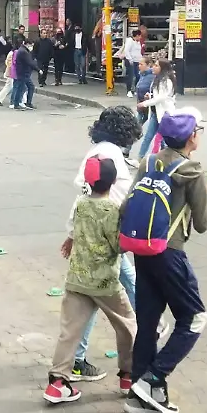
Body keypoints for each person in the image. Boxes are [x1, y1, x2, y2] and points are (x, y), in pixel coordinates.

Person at [126, 108, 207, 413]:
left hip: (142, 249)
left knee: (148, 322)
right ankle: (153, 378)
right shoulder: (191, 170)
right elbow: (203, 223)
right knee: (194, 318)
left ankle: (139, 394)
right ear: (191, 137)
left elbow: (129, 202)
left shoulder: (148, 162)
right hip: (169, 253)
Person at [44, 155, 138, 404]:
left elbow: (74, 230)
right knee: (127, 325)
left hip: (77, 280)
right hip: (105, 283)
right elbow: (119, 246)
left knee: (69, 332)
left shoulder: (80, 203)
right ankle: (128, 376)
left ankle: (57, 384)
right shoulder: (111, 210)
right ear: (113, 181)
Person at [64, 106, 144, 382]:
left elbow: (81, 196)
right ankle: (139, 340)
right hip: (106, 236)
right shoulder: (110, 155)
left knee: (114, 288)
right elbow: (121, 196)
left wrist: (72, 234)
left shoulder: (98, 151)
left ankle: (77, 358)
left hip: (91, 235)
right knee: (105, 295)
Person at [138, 59, 177, 158]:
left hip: (164, 114)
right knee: (149, 137)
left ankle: (167, 158)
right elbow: (158, 95)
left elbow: (161, 97)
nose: (153, 68)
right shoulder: (157, 79)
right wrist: (150, 95)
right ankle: (140, 158)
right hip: (155, 112)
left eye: (156, 66)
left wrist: (145, 103)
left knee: (162, 139)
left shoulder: (166, 81)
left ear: (162, 68)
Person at [11, 35, 38, 110]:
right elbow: (29, 62)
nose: (31, 47)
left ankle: (24, 103)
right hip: (23, 73)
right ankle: (17, 104)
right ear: (27, 44)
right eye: (31, 45)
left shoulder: (23, 50)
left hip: (23, 73)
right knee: (21, 88)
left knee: (26, 87)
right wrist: (38, 69)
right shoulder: (23, 51)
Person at [0, 42, 17, 107]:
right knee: (9, 86)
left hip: (11, 72)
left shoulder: (11, 53)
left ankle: (0, 97)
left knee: (9, 87)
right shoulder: (12, 53)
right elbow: (9, 63)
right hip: (11, 72)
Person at [123, 29, 144, 97]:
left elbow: (138, 52)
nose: (140, 37)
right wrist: (130, 59)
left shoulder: (138, 42)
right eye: (140, 36)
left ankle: (135, 89)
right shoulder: (130, 41)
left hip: (137, 61)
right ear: (137, 35)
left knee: (138, 76)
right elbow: (127, 51)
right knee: (131, 76)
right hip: (130, 61)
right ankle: (129, 90)